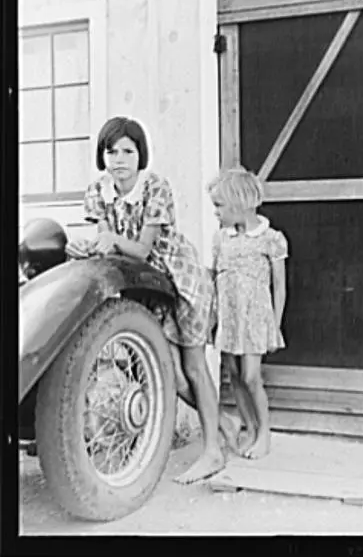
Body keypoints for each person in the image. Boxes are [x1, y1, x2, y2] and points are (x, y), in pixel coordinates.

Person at [66, 116, 238, 484]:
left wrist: (109, 240)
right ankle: (223, 422)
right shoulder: (98, 192)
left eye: (128, 151)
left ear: (140, 154)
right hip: (146, 286)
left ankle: (212, 453)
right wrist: (85, 247)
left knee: (193, 366)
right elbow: (106, 241)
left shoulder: (156, 187)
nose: (119, 159)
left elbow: (142, 248)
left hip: (181, 280)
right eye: (111, 152)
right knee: (169, 374)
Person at [207, 166, 288, 459]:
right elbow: (214, 278)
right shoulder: (221, 239)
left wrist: (275, 325)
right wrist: (212, 319)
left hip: (254, 317)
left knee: (252, 375)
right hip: (229, 316)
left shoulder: (271, 239)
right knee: (233, 374)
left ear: (240, 204)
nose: (216, 212)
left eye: (219, 206)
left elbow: (279, 286)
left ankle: (265, 432)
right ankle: (250, 428)